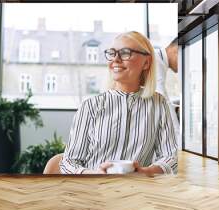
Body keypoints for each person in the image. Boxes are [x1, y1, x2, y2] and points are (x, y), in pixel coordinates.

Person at [58, 31, 178, 176]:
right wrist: (94, 174)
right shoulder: (90, 106)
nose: (115, 59)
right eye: (112, 53)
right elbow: (68, 163)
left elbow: (171, 157)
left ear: (146, 62)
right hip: (95, 191)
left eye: (125, 53)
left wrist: (145, 172)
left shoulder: (159, 104)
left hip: (138, 193)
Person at [154, 38, 180, 145]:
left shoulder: (158, 59)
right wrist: (178, 138)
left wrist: (175, 108)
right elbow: (162, 99)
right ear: (176, 50)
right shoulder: (155, 60)